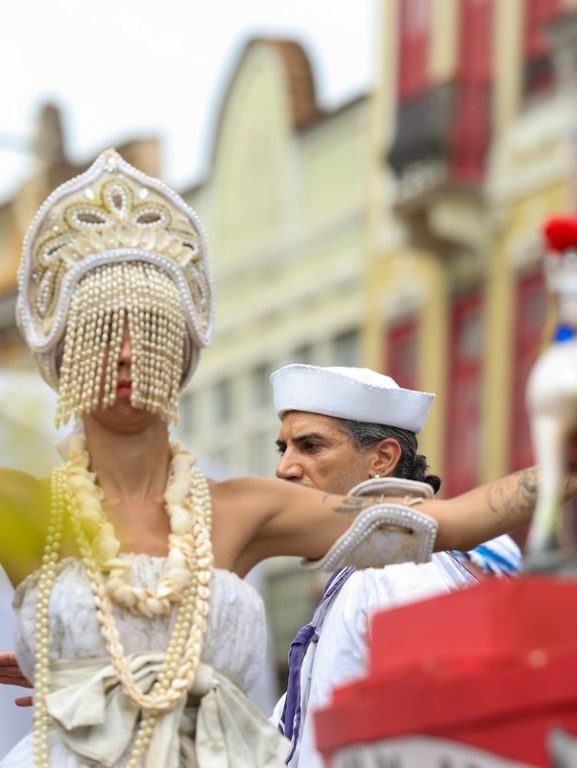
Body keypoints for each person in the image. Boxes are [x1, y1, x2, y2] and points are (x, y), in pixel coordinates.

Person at [0, 149, 571, 767]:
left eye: (152, 330)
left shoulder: (247, 511)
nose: (128, 353)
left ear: (181, 351)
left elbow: (454, 521)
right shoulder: (27, 505)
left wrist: (562, 463)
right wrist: (81, 670)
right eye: (102, 331)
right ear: (66, 351)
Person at [268, 364, 521, 767]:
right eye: (285, 450)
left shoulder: (401, 570)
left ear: (382, 459)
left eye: (310, 446)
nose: (285, 468)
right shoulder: (368, 570)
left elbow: (442, 741)